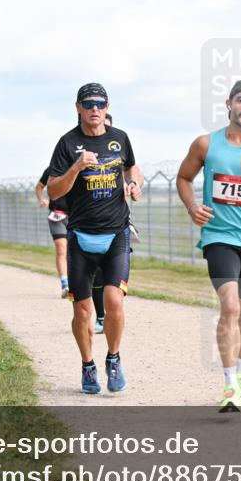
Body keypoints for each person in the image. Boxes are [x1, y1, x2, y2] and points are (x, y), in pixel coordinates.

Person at [177, 78, 241, 413]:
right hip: (219, 238)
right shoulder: (206, 144)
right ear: (229, 104)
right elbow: (183, 178)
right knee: (230, 307)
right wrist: (192, 207)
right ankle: (229, 384)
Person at [47, 83, 142, 394]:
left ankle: (113, 359)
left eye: (100, 103)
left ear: (107, 106)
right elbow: (54, 190)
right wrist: (77, 166)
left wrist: (134, 184)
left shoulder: (120, 139)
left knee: (114, 301)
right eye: (88, 104)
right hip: (81, 237)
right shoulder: (67, 143)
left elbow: (132, 168)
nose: (94, 109)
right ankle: (88, 365)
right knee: (82, 311)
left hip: (116, 233)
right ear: (78, 107)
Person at [35, 167, 71, 297]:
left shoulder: (78, 167)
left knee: (75, 251)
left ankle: (78, 282)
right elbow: (39, 186)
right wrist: (41, 200)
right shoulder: (52, 169)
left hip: (76, 215)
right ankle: (65, 285)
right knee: (62, 249)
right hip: (57, 215)